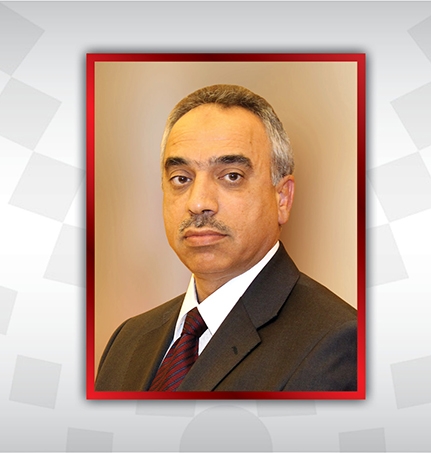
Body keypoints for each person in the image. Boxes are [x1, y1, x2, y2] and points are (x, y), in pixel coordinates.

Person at [95, 84, 357, 392]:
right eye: (181, 178)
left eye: (231, 176)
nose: (198, 202)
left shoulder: (337, 344)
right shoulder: (128, 341)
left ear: (282, 198)